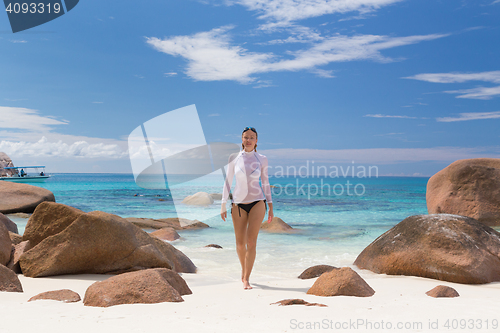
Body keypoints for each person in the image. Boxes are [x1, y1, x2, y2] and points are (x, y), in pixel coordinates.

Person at [221, 127, 274, 290]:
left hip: (258, 201)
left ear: (257, 140)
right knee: (240, 243)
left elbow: (265, 182)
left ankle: (246, 278)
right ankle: (243, 272)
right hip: (238, 204)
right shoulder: (233, 158)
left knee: (251, 242)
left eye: (252, 137)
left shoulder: (262, 159)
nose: (249, 140)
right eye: (246, 137)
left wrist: (270, 206)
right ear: (242, 140)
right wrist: (223, 204)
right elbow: (228, 182)